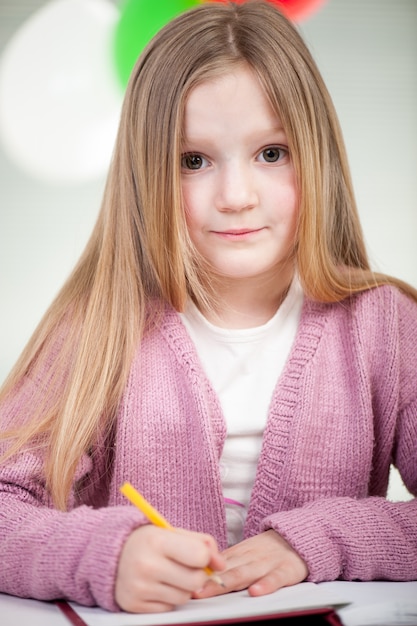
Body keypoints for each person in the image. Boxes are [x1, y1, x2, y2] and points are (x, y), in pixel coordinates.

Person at [1, 0, 416, 615]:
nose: (236, 196)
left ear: (316, 153)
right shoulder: (100, 326)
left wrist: (318, 541)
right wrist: (103, 557)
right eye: (193, 161)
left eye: (271, 153)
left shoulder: (384, 325)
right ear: (148, 176)